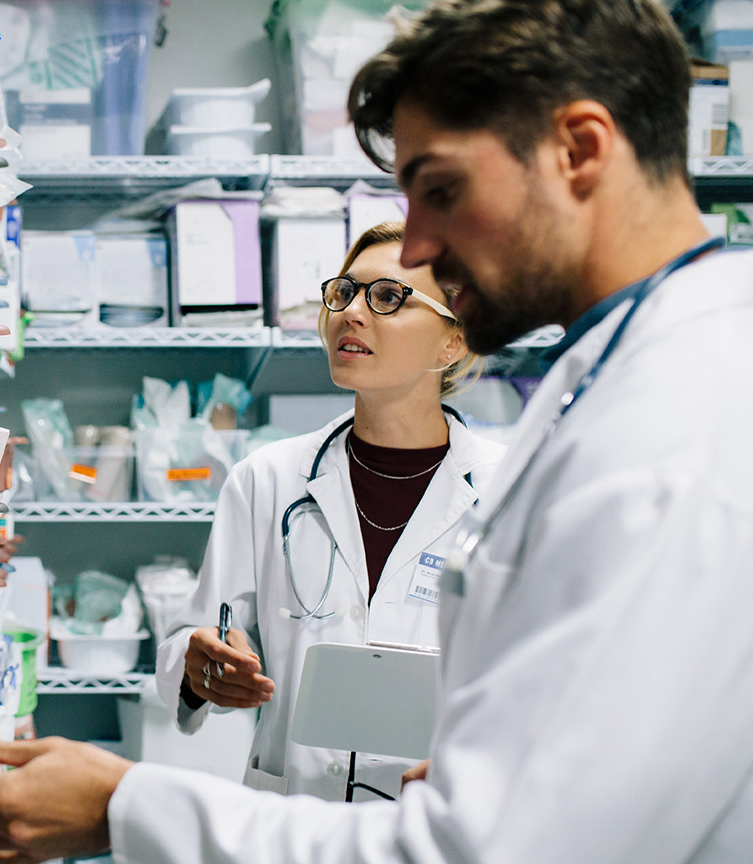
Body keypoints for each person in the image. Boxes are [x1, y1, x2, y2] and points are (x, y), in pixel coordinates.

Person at [0, 1, 753, 861]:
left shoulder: (680, 438)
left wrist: (123, 806)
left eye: (439, 190)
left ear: (579, 150)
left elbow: (491, 850)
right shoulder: (633, 383)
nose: (421, 243)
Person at [156, 220, 504, 802]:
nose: (352, 313)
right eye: (344, 291)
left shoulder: (507, 492)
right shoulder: (266, 480)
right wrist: (200, 668)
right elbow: (188, 645)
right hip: (295, 814)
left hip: (434, 819)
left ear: (453, 342)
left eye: (388, 297)